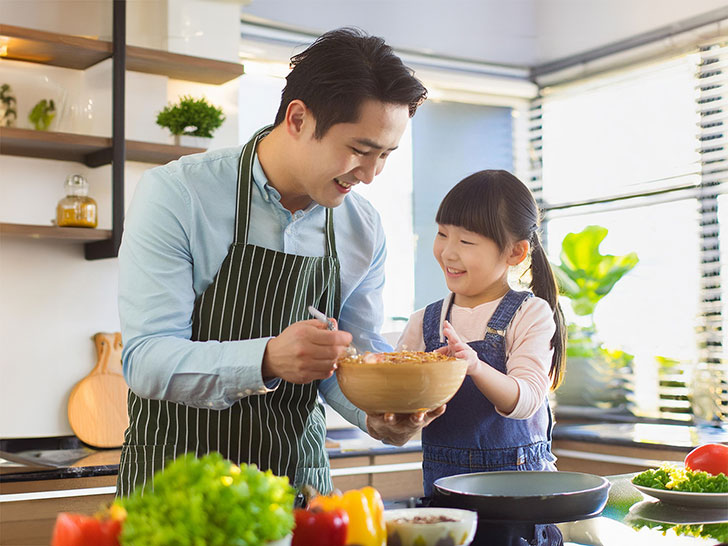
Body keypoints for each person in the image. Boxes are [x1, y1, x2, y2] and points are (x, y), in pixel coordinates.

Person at [116, 27, 443, 497]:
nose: (371, 175)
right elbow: (146, 360)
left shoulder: (362, 227)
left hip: (297, 490)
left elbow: (348, 362)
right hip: (176, 487)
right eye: (359, 151)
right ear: (297, 118)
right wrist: (268, 357)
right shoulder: (179, 194)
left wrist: (377, 415)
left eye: (386, 156)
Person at [395, 170, 567, 497]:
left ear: (515, 253)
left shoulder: (530, 314)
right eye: (443, 234)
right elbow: (399, 418)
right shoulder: (423, 322)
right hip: (447, 502)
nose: (448, 252)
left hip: (521, 504)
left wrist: (473, 366)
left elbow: (527, 400)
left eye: (466, 241)